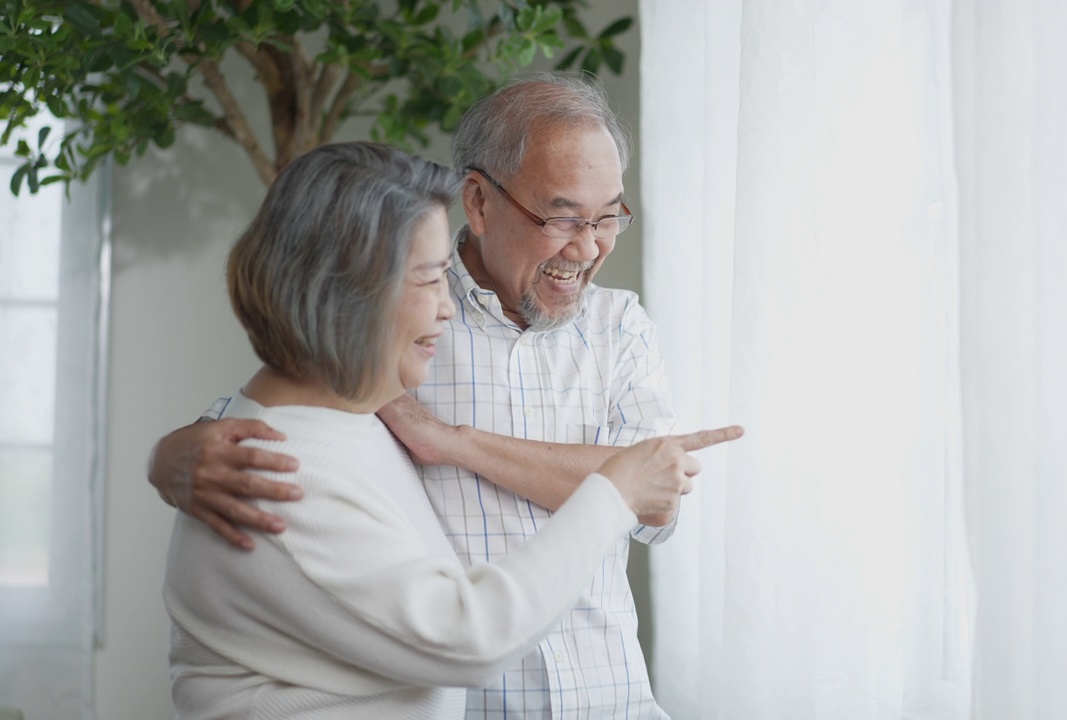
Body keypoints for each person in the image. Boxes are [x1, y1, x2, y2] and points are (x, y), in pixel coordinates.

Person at [151, 73, 694, 718]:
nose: (589, 246)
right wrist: (170, 456)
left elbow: (655, 501)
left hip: (612, 701)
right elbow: (281, 419)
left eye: (608, 217)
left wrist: (453, 443)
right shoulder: (395, 334)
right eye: (562, 217)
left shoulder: (618, 324)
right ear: (481, 202)